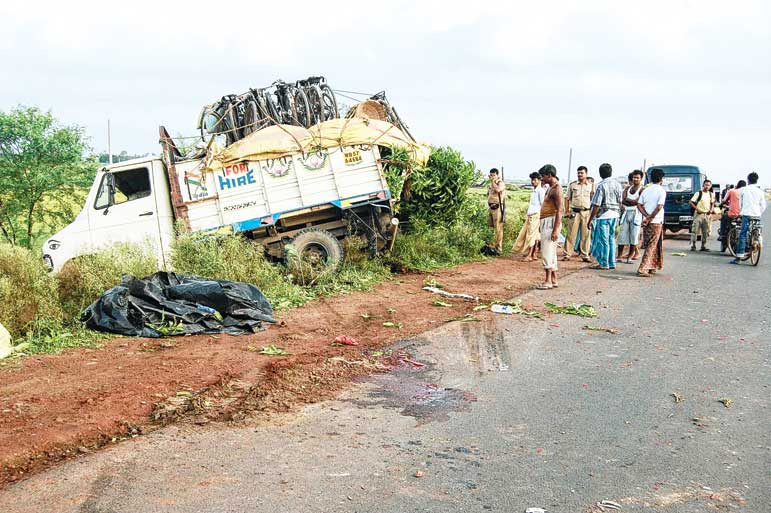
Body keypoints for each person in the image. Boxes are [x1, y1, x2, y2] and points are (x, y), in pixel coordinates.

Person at [587, 163, 623, 270]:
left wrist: (590, 219)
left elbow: (597, 204)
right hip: (615, 215)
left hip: (603, 215)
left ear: (600, 173)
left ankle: (604, 263)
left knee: (603, 240)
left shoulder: (601, 185)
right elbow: (621, 201)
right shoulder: (618, 184)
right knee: (611, 239)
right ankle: (612, 262)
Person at [731, 172, 767, 264]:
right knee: (757, 229)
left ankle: (739, 257)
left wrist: (741, 211)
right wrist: (759, 212)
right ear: (757, 180)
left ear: (748, 180)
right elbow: (763, 205)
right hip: (757, 215)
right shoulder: (760, 191)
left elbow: (740, 203)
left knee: (743, 234)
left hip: (746, 214)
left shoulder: (744, 189)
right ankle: (757, 241)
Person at [536, 164, 563, 289]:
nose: (542, 179)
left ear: (550, 175)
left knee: (546, 251)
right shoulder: (551, 187)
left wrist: (556, 229)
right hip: (547, 221)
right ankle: (554, 279)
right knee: (551, 252)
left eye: (543, 176)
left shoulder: (556, 189)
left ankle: (548, 281)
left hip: (550, 222)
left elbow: (560, 210)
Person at [637, 168, 667, 276]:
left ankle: (653, 266)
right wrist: (650, 218)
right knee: (652, 245)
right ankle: (643, 268)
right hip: (656, 221)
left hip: (647, 221)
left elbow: (639, 205)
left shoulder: (646, 190)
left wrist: (646, 216)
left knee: (655, 243)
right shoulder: (661, 191)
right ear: (661, 179)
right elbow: (659, 207)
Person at [563, 166, 594, 262]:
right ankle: (567, 254)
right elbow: (567, 198)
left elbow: (593, 199)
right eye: (578, 173)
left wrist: (592, 214)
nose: (580, 174)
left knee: (586, 234)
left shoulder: (591, 185)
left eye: (582, 173)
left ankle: (585, 255)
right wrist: (567, 211)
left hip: (586, 212)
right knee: (571, 234)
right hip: (574, 212)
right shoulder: (572, 185)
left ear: (586, 174)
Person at [513, 172, 545, 261]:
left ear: (539, 181)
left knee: (531, 235)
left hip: (536, 215)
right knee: (535, 235)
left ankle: (530, 255)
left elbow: (543, 204)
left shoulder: (540, 191)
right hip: (532, 214)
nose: (533, 182)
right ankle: (533, 253)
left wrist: (540, 217)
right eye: (532, 180)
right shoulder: (534, 191)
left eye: (535, 180)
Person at [617, 170, 644, 263]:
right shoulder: (627, 188)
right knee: (622, 235)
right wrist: (632, 201)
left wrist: (629, 201)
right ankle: (619, 256)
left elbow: (639, 202)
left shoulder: (642, 189)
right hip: (626, 213)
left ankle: (630, 257)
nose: (635, 179)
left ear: (641, 179)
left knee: (634, 236)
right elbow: (623, 200)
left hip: (636, 214)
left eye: (637, 178)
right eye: (634, 177)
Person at [689, 178, 715, 251]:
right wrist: (697, 209)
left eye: (708, 185)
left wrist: (711, 209)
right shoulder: (698, 193)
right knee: (695, 230)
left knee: (705, 231)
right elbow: (691, 202)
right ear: (703, 185)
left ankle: (703, 245)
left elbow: (712, 203)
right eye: (706, 185)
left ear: (710, 186)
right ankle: (693, 245)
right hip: (698, 214)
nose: (707, 186)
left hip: (707, 215)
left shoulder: (711, 194)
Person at [486, 168, 506, 256]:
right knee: (490, 227)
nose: (492, 177)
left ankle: (499, 247)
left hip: (498, 208)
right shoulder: (490, 184)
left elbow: (498, 190)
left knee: (498, 228)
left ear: (498, 175)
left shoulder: (500, 183)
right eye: (491, 175)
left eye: (494, 175)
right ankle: (490, 246)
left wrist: (493, 181)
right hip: (490, 207)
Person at [719, 180, 745, 246]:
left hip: (733, 213)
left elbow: (724, 200)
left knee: (724, 217)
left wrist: (721, 205)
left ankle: (722, 235)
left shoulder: (731, 191)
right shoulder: (746, 192)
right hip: (744, 214)